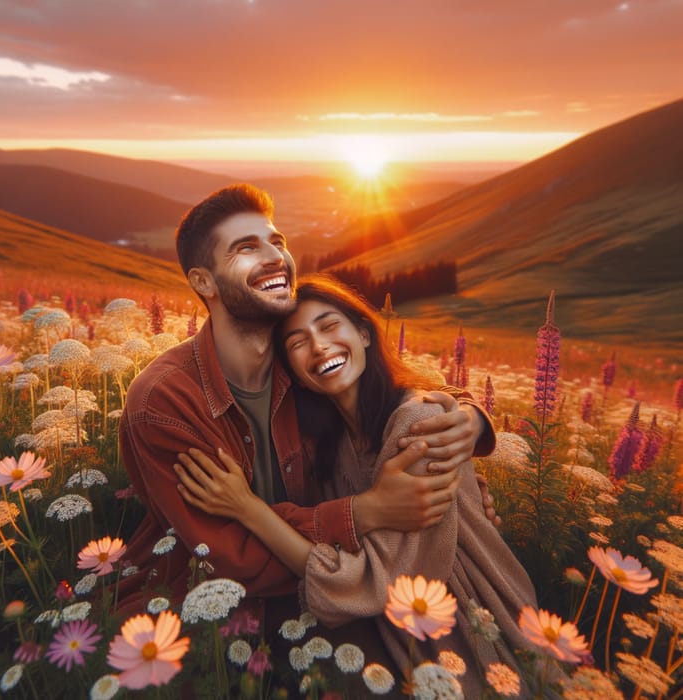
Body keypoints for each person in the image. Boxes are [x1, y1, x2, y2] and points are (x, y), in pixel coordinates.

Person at [118, 184, 495, 642]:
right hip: (205, 624)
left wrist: (469, 422)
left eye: (277, 242)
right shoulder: (163, 403)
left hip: (329, 607)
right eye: (246, 248)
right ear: (203, 282)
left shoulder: (304, 371)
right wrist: (364, 514)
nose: (275, 256)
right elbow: (227, 555)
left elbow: (391, 396)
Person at [175, 275, 538, 697]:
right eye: (297, 342)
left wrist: (246, 507)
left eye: (330, 326)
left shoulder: (417, 424)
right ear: (294, 373)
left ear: (364, 334)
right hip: (399, 616)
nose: (319, 346)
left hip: (464, 620)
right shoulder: (330, 446)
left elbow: (365, 579)